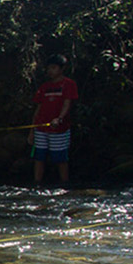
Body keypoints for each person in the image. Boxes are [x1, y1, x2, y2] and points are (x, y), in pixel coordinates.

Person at [29, 55, 79, 183]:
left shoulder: (69, 84)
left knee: (60, 158)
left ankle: (65, 184)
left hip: (60, 129)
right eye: (49, 68)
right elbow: (38, 109)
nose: (50, 71)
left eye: (54, 68)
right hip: (41, 128)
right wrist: (32, 130)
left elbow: (67, 104)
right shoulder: (44, 87)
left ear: (62, 69)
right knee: (39, 158)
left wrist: (59, 119)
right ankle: (37, 183)